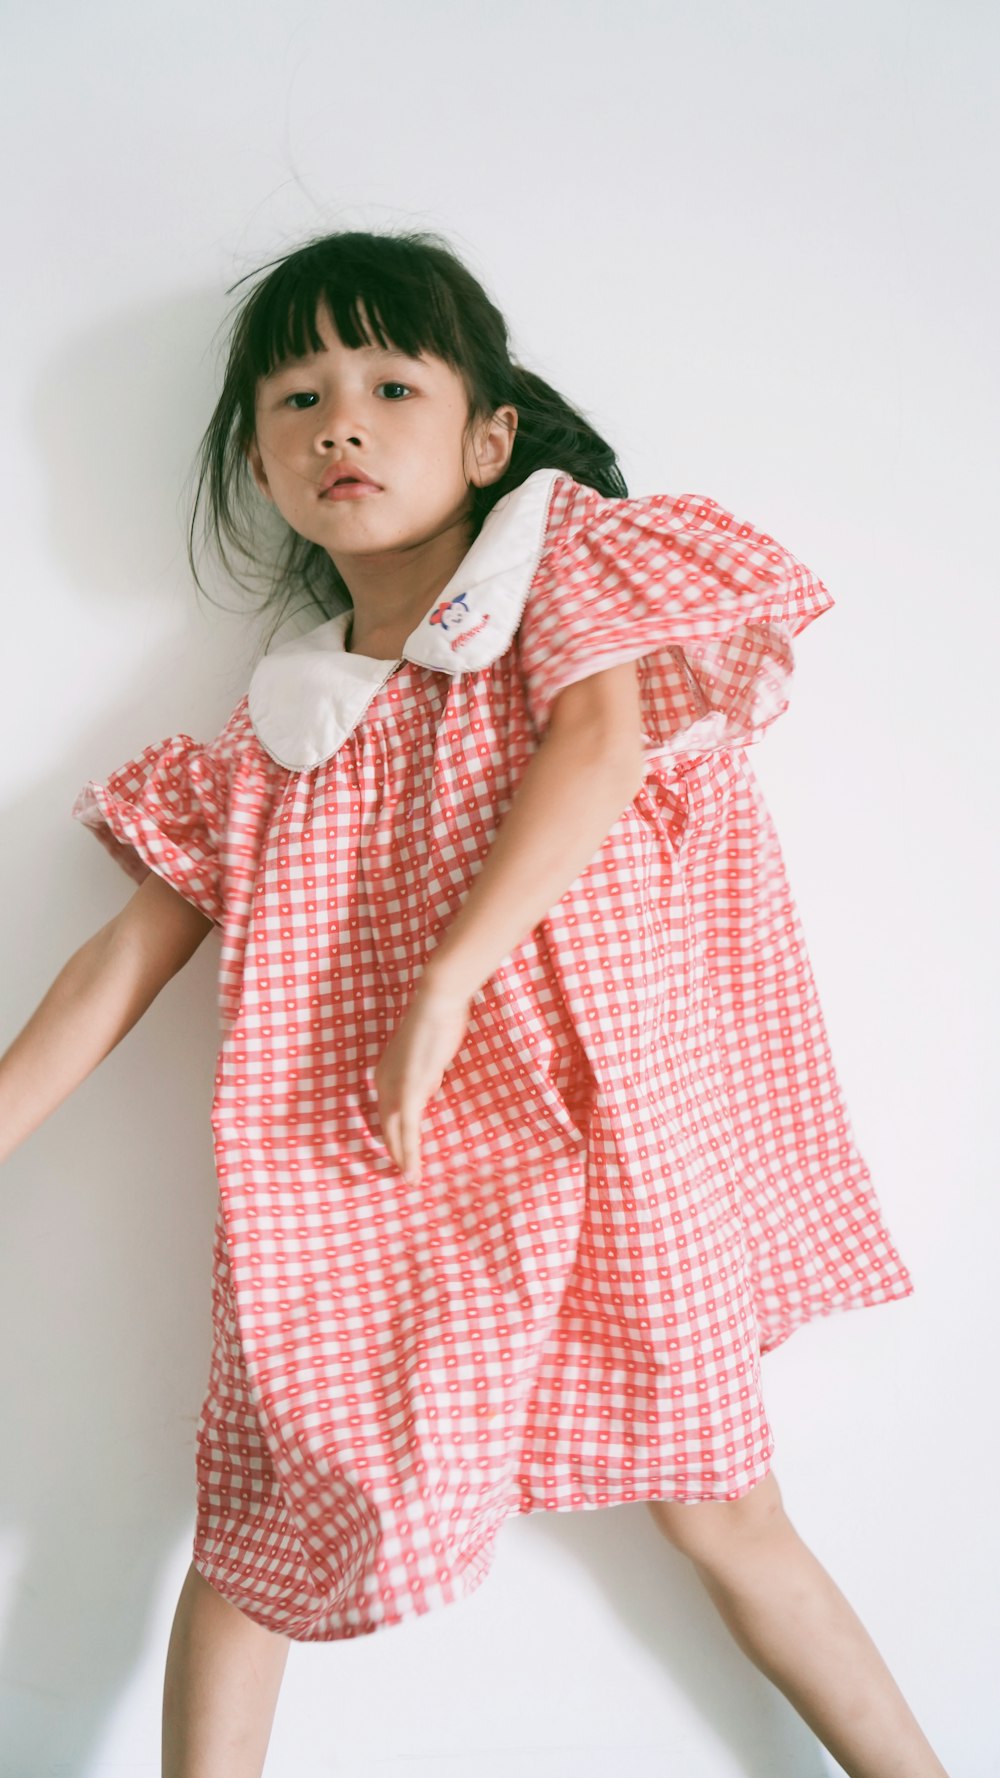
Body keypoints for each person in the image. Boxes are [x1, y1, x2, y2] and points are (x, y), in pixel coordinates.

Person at [0, 229, 949, 1778]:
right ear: (259, 460)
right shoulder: (275, 741)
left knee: (724, 1503)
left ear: (489, 434)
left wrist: (449, 974)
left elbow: (598, 746)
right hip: (371, 1173)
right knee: (262, 1522)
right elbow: (118, 964)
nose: (340, 424)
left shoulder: (563, 570)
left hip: (602, 1141)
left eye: (388, 382)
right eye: (295, 399)